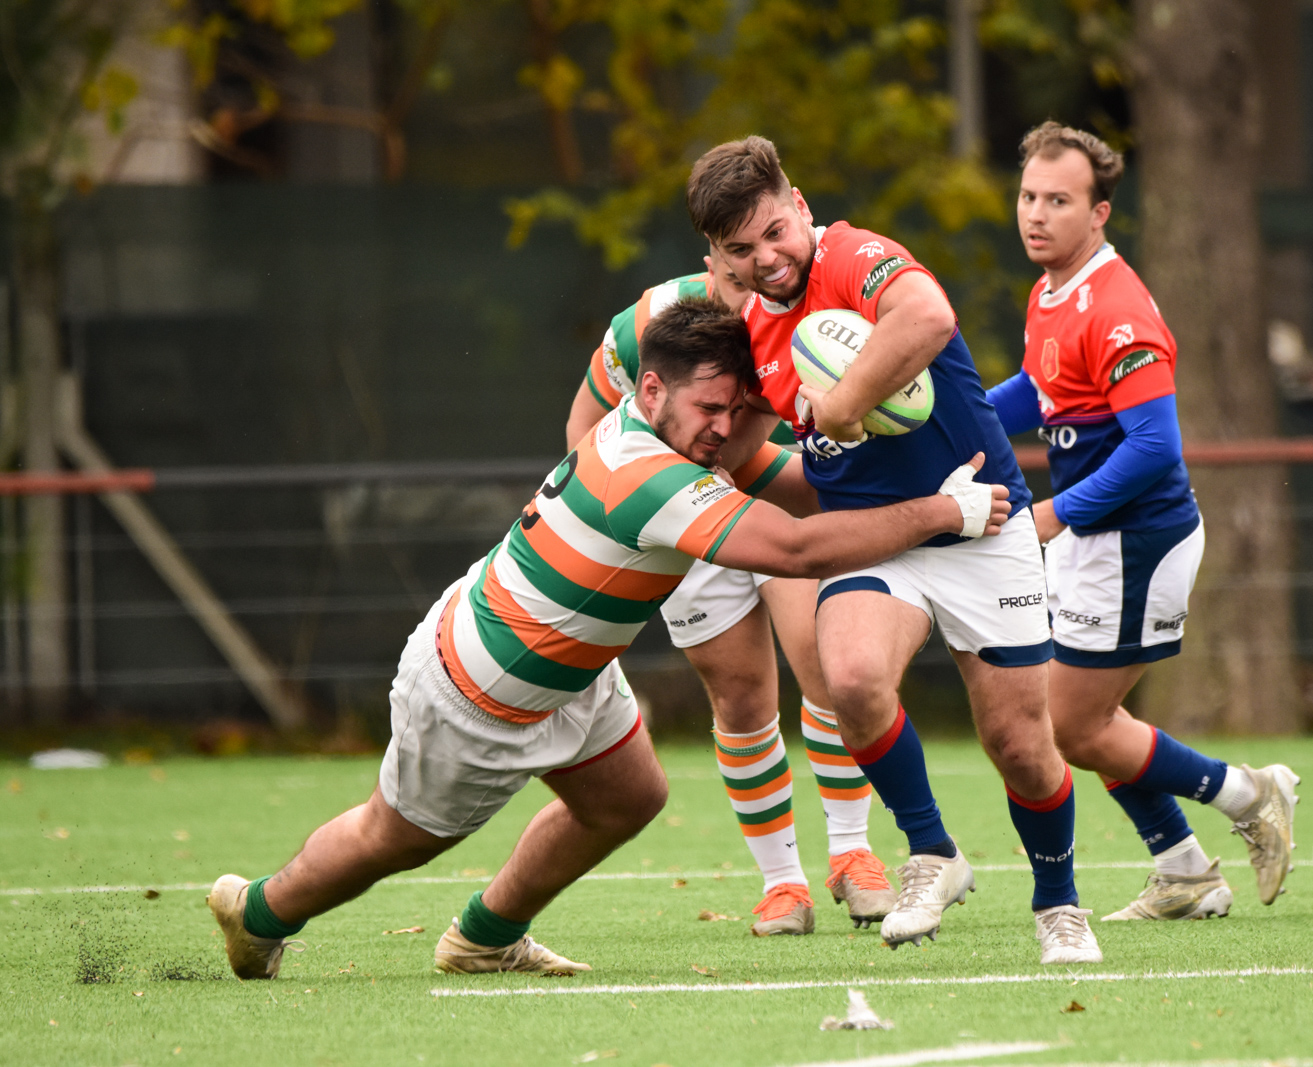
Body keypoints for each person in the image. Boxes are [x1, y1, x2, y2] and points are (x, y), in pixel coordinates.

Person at [206, 299, 1009, 980]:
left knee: (629, 798)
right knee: (393, 838)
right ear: (651, 389)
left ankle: (484, 937)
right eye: (710, 409)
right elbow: (796, 547)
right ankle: (259, 912)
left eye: (736, 410)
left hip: (567, 666)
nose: (725, 428)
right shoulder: (651, 475)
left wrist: (898, 467)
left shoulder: (681, 434)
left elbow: (803, 487)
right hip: (479, 689)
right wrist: (942, 513)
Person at [686, 136, 1102, 965]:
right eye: (741, 248)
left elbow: (928, 315)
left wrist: (842, 403)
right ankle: (932, 850)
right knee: (849, 677)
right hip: (876, 538)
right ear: (718, 256)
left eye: (775, 232)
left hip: (982, 519)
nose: (766, 258)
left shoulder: (853, 256)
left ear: (800, 207)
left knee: (1020, 745)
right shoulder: (751, 331)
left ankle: (1059, 901)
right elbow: (737, 451)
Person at [985, 121, 1299, 922]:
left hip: (1137, 542)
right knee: (1081, 718)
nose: (1037, 214)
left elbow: (1156, 447)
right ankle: (1185, 869)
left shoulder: (1116, 305)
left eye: (1059, 201)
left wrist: (1055, 513)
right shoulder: (1051, 290)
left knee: (1069, 723)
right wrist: (954, 423)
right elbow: (1038, 387)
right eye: (1029, 196)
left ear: (1100, 213)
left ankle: (1248, 793)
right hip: (1093, 538)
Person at [563, 250, 896, 936]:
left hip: (763, 499)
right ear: (710, 257)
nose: (750, 293)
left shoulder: (805, 313)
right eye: (734, 275)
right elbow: (582, 431)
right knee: (740, 697)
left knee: (827, 666)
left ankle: (851, 853)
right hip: (680, 515)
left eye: (758, 276)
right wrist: (645, 509)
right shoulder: (645, 323)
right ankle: (782, 886)